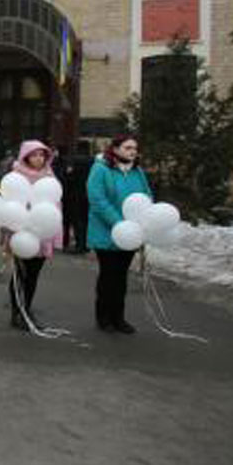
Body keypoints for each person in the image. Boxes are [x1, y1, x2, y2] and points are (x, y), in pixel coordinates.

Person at [86, 134, 152, 334]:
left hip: (131, 233)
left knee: (121, 277)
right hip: (106, 232)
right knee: (108, 275)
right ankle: (103, 317)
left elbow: (147, 195)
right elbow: (97, 198)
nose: (132, 151)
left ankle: (119, 317)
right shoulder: (101, 169)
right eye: (127, 147)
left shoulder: (137, 171)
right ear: (115, 149)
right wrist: (119, 223)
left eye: (134, 148)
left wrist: (139, 221)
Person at [4, 140, 63, 330]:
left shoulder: (49, 176)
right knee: (20, 275)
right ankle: (17, 311)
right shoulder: (16, 176)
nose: (39, 158)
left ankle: (26, 308)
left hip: (42, 234)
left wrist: (55, 234)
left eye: (42, 155)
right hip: (21, 233)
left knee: (33, 276)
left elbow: (56, 205)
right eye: (35, 154)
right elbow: (8, 207)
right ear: (26, 156)